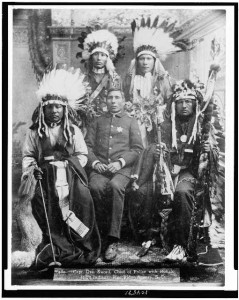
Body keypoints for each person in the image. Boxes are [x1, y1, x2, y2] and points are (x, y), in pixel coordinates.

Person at [12, 68, 101, 269]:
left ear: (65, 109)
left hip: (71, 176)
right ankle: (52, 243)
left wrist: (70, 166)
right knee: (43, 203)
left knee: (83, 198)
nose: (54, 111)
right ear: (43, 109)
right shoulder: (36, 132)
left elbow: (82, 155)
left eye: (58, 107)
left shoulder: (73, 130)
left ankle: (79, 239)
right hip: (44, 178)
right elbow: (28, 156)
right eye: (50, 107)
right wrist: (33, 169)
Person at [129, 79, 220, 262]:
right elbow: (154, 148)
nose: (184, 106)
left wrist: (209, 151)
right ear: (174, 105)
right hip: (166, 171)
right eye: (180, 102)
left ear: (195, 104)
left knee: (182, 192)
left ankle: (181, 245)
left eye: (188, 101)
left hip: (190, 173)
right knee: (144, 191)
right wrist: (162, 157)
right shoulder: (165, 125)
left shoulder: (202, 125)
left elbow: (213, 154)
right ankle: (148, 236)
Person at [85, 88, 143, 262]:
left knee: (116, 186)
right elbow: (87, 146)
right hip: (100, 168)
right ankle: (98, 235)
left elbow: (137, 149)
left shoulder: (131, 121)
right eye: (110, 97)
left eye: (117, 97)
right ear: (105, 101)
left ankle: (112, 239)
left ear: (123, 100)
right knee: (94, 187)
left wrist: (120, 163)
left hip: (122, 169)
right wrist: (95, 163)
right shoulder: (97, 121)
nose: (113, 101)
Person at [78, 29, 122, 117]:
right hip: (87, 118)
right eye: (96, 54)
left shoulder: (114, 78)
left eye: (102, 55)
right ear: (90, 57)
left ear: (108, 58)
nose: (99, 58)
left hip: (106, 119)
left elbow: (118, 102)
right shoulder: (82, 78)